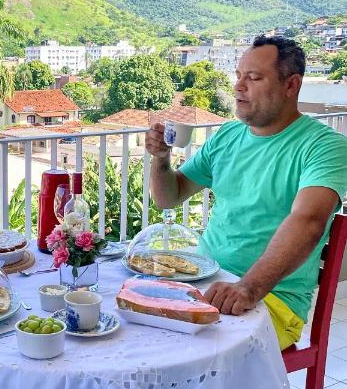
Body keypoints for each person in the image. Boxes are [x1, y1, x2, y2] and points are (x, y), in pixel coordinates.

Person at [145, 35, 347, 349]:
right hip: (203, 280)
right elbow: (169, 197)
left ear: (290, 85)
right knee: (128, 320)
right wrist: (160, 159)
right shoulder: (227, 136)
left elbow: (308, 222)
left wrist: (248, 289)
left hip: (271, 298)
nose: (239, 86)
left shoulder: (324, 147)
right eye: (238, 76)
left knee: (174, 350)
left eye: (253, 78)